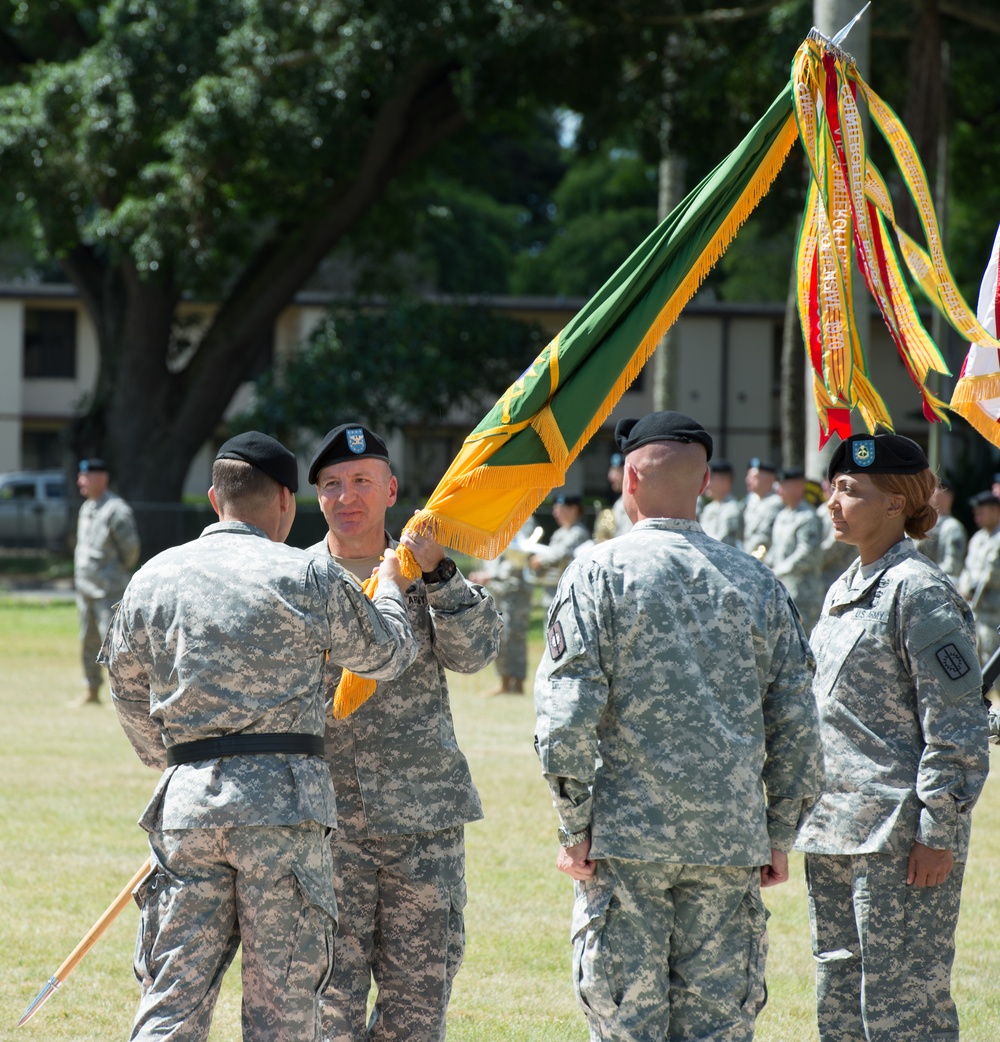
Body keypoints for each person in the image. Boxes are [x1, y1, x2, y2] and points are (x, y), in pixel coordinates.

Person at [100, 432, 418, 1042]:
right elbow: (387, 653)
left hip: (189, 804)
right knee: (284, 1007)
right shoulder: (306, 573)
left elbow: (124, 686)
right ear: (285, 501)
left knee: (172, 998)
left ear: (216, 498)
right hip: (285, 811)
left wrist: (166, 760)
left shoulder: (153, 576)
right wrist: (395, 590)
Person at [534, 410, 823, 1042]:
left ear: (630, 478)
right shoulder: (758, 581)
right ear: (701, 484)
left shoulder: (596, 572)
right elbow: (799, 718)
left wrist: (574, 825)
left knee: (627, 1028)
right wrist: (780, 832)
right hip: (729, 838)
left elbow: (565, 717)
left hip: (626, 839)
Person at [306, 423, 502, 1042]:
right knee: (327, 1008)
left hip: (422, 824)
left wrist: (441, 572)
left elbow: (474, 655)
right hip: (326, 823)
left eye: (362, 481)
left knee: (417, 1008)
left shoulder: (423, 569)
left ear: (391, 489)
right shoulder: (294, 579)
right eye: (332, 485)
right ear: (317, 499)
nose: (347, 496)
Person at [795, 432, 989, 1042]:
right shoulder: (845, 587)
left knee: (904, 1009)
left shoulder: (920, 592)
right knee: (840, 999)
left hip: (900, 838)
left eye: (850, 491)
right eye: (833, 489)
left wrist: (939, 831)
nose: (833, 502)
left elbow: (956, 725)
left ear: (896, 504)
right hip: (834, 825)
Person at [73, 457, 140, 705]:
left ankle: (125, 698)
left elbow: (131, 550)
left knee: (115, 649)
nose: (80, 481)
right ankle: (92, 691)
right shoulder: (87, 508)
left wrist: (116, 573)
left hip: (108, 592)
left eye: (85, 476)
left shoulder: (116, 510)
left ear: (101, 478)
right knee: (87, 642)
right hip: (86, 590)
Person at [469, 516, 537, 695]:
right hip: (496, 587)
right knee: (497, 634)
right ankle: (504, 681)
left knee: (514, 635)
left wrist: (492, 575)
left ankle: (518, 682)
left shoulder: (524, 517)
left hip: (515, 589)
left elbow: (520, 554)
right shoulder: (496, 513)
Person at [766, 466, 825, 633]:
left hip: (803, 594)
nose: (779, 489)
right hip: (783, 590)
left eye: (784, 484)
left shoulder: (808, 517)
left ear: (799, 487)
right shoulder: (782, 515)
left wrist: (777, 571)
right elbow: (775, 549)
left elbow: (806, 555)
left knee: (803, 643)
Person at [957, 490, 1000, 664]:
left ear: (995, 510)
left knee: (993, 661)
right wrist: (965, 588)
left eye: (981, 512)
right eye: (976, 513)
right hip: (975, 611)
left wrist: (974, 586)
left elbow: (992, 573)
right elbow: (967, 568)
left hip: (994, 613)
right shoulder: (977, 538)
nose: (977, 516)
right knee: (976, 660)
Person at [528, 492, 591, 599]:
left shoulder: (578, 532)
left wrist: (540, 560)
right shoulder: (559, 532)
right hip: (552, 587)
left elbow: (562, 553)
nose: (555, 514)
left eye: (559, 509)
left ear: (573, 509)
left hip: (569, 591)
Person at [915, 479, 967, 584]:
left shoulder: (952, 527)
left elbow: (953, 566)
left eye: (934, 490)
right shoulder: (922, 524)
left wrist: (927, 574)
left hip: (937, 584)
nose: (930, 495)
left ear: (947, 496)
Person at [698, 458, 744, 547]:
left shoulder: (732, 509)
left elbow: (723, 543)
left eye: (711, 479)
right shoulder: (709, 508)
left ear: (725, 482)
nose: (707, 484)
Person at [742, 457, 782, 556]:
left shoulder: (777, 503)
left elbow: (765, 537)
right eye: (748, 476)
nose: (747, 480)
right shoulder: (751, 501)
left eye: (754, 477)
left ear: (769, 480)